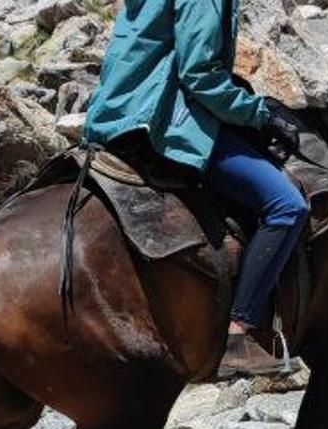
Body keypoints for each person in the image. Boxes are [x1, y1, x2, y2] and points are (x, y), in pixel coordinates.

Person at [83, 0, 308, 376]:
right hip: (165, 120)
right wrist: (259, 115)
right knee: (287, 206)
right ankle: (243, 332)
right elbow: (200, 76)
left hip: (114, 120)